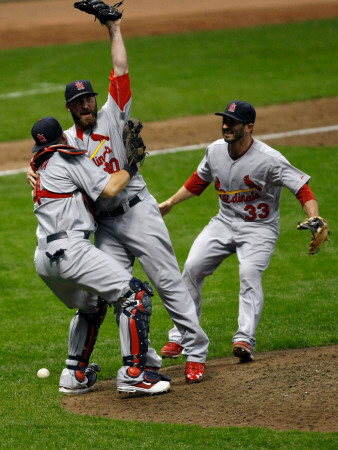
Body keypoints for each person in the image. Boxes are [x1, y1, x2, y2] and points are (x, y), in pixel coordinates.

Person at [27, 15, 209, 382]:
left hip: (138, 211)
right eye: (78, 102)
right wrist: (29, 169)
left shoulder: (114, 112)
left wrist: (115, 28)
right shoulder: (65, 141)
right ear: (70, 108)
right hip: (105, 224)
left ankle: (196, 350)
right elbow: (44, 158)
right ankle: (146, 358)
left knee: (166, 281)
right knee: (117, 292)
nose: (86, 105)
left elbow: (121, 68)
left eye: (89, 98)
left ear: (97, 99)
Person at [158, 100, 321, 363]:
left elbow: (302, 189)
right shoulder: (215, 151)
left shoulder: (269, 159)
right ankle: (181, 335)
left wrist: (314, 216)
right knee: (191, 268)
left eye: (232, 122)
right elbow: (199, 181)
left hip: (259, 229)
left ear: (249, 127)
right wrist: (170, 203)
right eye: (224, 120)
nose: (226, 126)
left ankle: (245, 337)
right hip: (223, 223)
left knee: (249, 274)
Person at [31, 116, 171, 395]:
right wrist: (132, 165)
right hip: (71, 250)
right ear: (63, 138)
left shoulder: (39, 166)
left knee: (93, 304)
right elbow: (109, 187)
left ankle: (74, 375)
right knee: (135, 295)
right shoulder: (68, 157)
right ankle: (134, 375)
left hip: (44, 259)